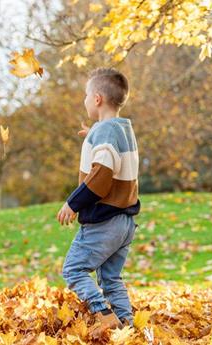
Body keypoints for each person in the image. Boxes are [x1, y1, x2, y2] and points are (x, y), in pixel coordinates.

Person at [56, 67, 140, 338]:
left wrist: (73, 203)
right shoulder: (120, 129)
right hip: (125, 221)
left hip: (104, 221)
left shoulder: (104, 132)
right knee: (111, 278)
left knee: (73, 269)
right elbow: (109, 152)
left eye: (85, 95)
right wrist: (92, 134)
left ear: (97, 99)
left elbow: (102, 175)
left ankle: (104, 314)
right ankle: (126, 327)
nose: (84, 99)